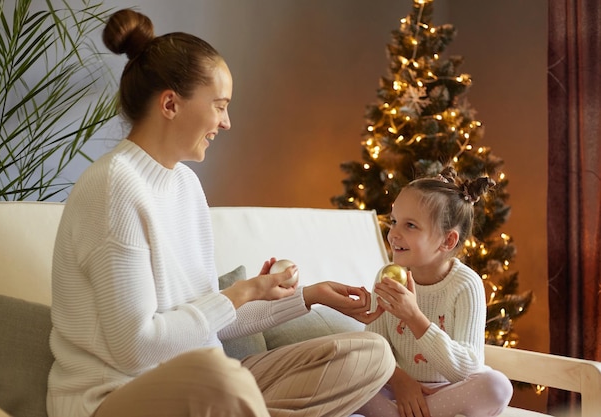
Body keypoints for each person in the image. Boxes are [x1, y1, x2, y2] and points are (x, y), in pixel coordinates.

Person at [46, 8, 394, 417]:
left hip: (205, 385)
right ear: (171, 104)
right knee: (223, 380)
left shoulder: (185, 186)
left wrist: (307, 297)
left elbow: (209, 322)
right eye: (219, 105)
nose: (226, 122)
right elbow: (135, 348)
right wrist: (242, 292)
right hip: (117, 397)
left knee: (373, 354)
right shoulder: (113, 187)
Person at [355, 167, 513, 417]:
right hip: (395, 388)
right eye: (394, 221)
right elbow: (375, 350)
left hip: (447, 392)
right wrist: (400, 381)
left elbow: (468, 369)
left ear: (447, 241)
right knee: (347, 377)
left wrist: (414, 317)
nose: (394, 233)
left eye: (410, 225)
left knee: (497, 387)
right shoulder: (387, 276)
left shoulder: (465, 285)